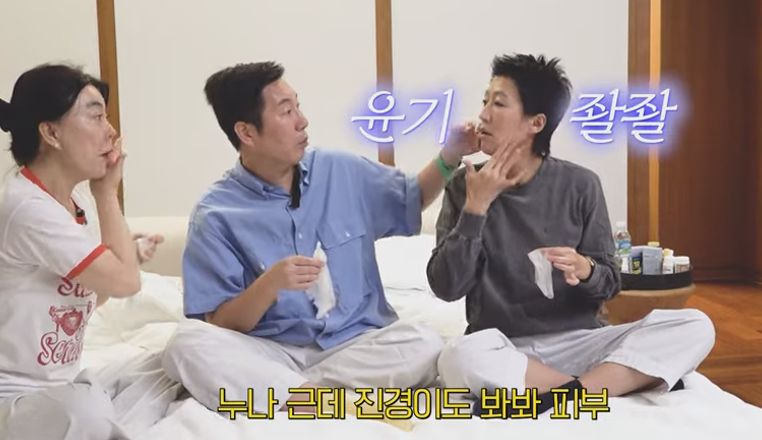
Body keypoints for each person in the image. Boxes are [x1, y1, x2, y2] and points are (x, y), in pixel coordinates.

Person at [161, 61, 477, 429]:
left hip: (355, 345)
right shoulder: (215, 214)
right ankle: (332, 400)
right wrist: (269, 284)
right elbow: (219, 323)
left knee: (423, 342)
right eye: (286, 111)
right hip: (273, 350)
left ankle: (291, 394)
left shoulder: (338, 170)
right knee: (186, 345)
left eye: (298, 106)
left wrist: (450, 154)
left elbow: (412, 197)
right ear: (246, 132)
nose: (302, 121)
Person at [427, 53, 716, 417]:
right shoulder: (463, 186)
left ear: (536, 122)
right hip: (504, 346)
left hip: (582, 342)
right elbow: (446, 287)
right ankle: (607, 385)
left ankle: (561, 396)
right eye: (484, 102)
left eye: (497, 103)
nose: (482, 114)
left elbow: (610, 283)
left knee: (696, 325)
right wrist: (476, 207)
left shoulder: (580, 185)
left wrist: (586, 269)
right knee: (457, 357)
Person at [0, 64, 175, 440]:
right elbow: (126, 283)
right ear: (51, 133)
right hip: (13, 399)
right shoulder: (26, 206)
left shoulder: (74, 202)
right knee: (84, 408)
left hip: (61, 385)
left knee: (163, 367)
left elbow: (99, 292)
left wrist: (122, 254)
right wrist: (107, 193)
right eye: (96, 116)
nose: (111, 131)